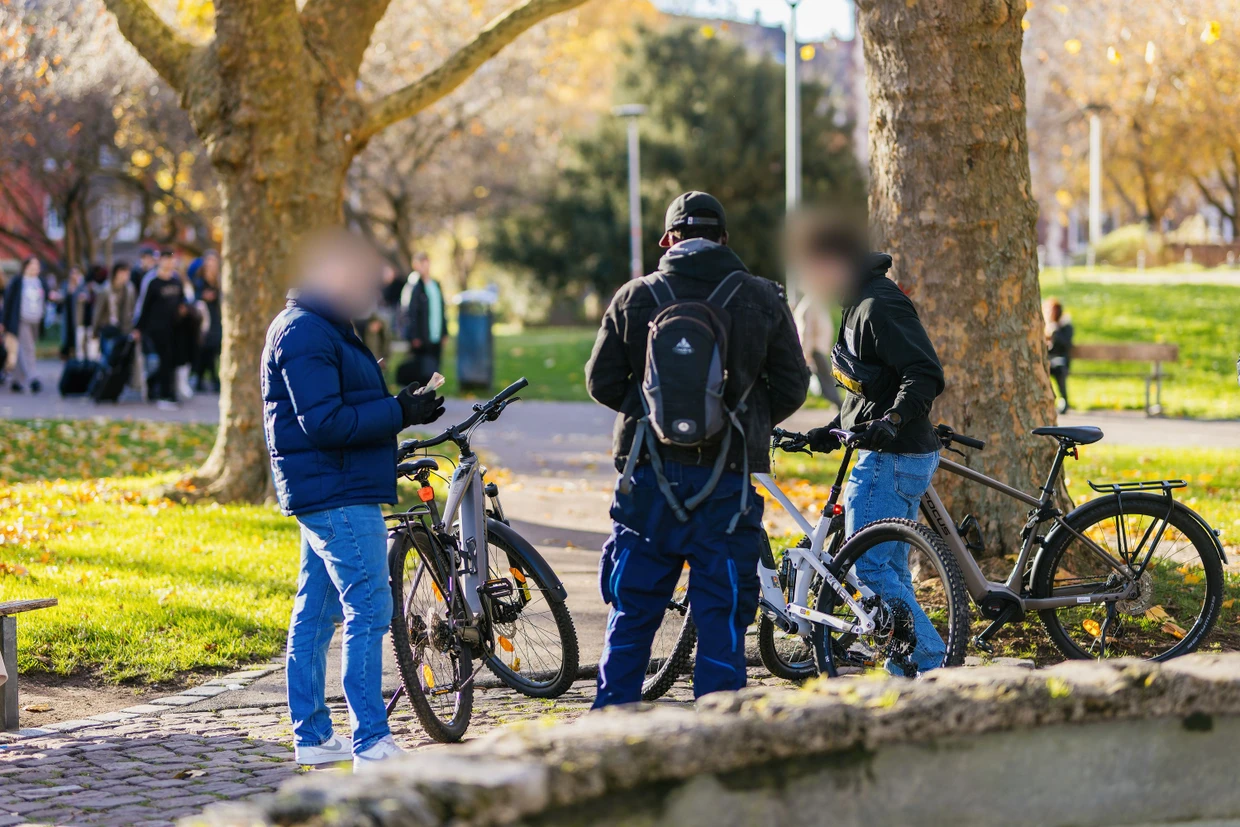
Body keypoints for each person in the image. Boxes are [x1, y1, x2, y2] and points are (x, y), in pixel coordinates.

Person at [585, 192, 810, 707]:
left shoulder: (634, 297)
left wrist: (651, 413)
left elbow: (600, 381)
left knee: (633, 609)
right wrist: (743, 423)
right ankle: (718, 734)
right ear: (724, 239)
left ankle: (610, 728)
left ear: (668, 239)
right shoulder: (761, 297)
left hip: (648, 477)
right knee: (722, 613)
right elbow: (793, 385)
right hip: (726, 482)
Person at [262, 228, 445, 770]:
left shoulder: (325, 324)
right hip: (335, 490)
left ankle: (315, 737)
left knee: (315, 615)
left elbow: (344, 403)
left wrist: (401, 405)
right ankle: (371, 740)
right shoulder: (303, 331)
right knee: (369, 608)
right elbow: (325, 422)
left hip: (334, 485)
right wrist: (400, 413)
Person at [793, 214, 947, 675]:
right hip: (886, 455)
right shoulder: (857, 302)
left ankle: (933, 661)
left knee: (871, 571)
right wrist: (832, 427)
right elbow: (869, 386)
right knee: (892, 573)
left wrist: (893, 419)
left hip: (891, 459)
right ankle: (906, 676)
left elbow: (926, 374)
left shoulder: (880, 305)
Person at [134, 249, 188, 409]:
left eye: (171, 260)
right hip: (156, 328)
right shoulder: (152, 281)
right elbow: (143, 306)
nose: (169, 263)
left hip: (174, 328)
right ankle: (165, 395)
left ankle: (165, 390)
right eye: (166, 259)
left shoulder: (176, 280)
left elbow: (182, 300)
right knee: (164, 359)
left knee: (171, 361)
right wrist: (138, 327)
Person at [398, 252, 446, 386]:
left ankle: (431, 397)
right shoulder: (413, 285)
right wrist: (414, 335)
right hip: (420, 337)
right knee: (421, 370)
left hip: (435, 335)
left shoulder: (435, 284)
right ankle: (419, 397)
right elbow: (408, 312)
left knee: (434, 370)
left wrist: (444, 332)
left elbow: (441, 309)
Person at [1, 257, 46, 393]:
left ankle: (17, 379)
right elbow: (8, 302)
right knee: (28, 349)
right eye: (33, 265)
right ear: (26, 266)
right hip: (21, 320)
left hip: (35, 321)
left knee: (21, 350)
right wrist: (3, 321)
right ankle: (33, 378)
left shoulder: (39, 282)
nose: (35, 268)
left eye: (37, 265)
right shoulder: (18, 281)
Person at [92, 262, 137, 359]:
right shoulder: (105, 289)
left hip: (125, 329)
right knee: (108, 359)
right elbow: (98, 312)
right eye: (124, 273)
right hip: (108, 329)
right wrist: (95, 330)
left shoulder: (129, 289)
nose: (126, 276)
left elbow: (133, 309)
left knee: (122, 360)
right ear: (117, 273)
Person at [193, 252, 223, 393]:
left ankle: (204, 379)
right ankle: (211, 380)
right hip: (204, 317)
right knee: (206, 347)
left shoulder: (219, 281)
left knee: (211, 348)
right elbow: (195, 297)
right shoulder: (199, 280)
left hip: (216, 317)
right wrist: (203, 297)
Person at [1043, 297, 1073, 413]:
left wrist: (1055, 331)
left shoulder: (1065, 327)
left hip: (1061, 361)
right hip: (1048, 361)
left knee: (1059, 368)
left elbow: (1065, 344)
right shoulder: (1045, 327)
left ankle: (1064, 400)